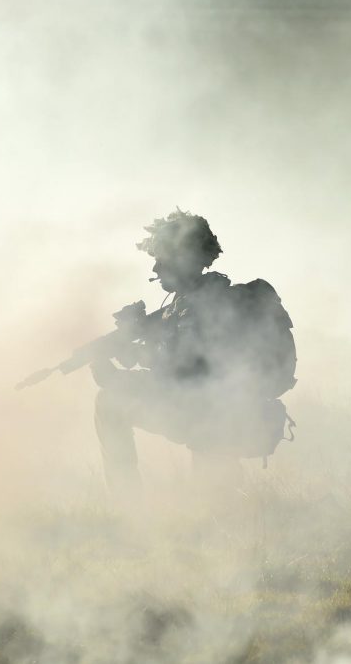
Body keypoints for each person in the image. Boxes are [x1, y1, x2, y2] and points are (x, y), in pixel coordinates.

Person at [91, 209, 296, 495]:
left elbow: (185, 372)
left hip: (217, 418)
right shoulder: (183, 306)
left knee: (110, 402)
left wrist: (127, 365)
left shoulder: (207, 306)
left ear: (183, 259)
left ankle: (127, 505)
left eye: (161, 260)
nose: (155, 270)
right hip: (213, 417)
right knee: (211, 501)